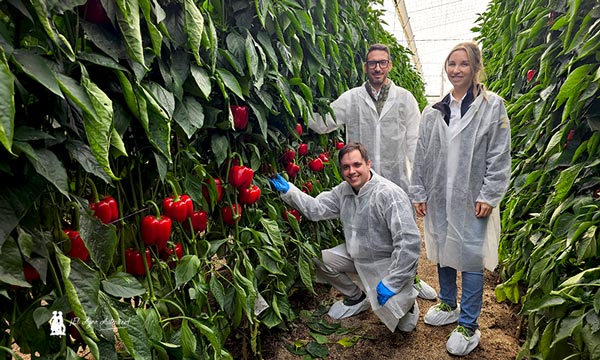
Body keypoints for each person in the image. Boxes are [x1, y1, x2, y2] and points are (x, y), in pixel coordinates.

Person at [309, 43, 436, 300]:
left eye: (382, 62)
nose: (377, 67)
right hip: (362, 179)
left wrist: (419, 184)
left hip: (396, 176)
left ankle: (411, 278)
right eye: (372, 63)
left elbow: (414, 142)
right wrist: (296, 105)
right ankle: (370, 278)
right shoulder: (352, 97)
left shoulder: (405, 98)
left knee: (402, 229)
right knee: (369, 229)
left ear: (389, 65)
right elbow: (323, 123)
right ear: (365, 67)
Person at [409, 42, 511, 356]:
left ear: (475, 67)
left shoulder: (493, 106)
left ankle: (468, 324)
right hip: (440, 195)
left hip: (472, 197)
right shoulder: (433, 111)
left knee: (470, 257)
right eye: (452, 63)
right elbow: (422, 155)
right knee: (441, 248)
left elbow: (499, 154)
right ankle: (447, 303)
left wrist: (490, 194)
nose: (456, 69)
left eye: (463, 64)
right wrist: (419, 191)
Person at [270, 143, 421, 332]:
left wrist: (393, 282)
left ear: (368, 164)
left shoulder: (388, 195)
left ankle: (409, 305)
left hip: (386, 261)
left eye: (357, 165)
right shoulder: (344, 191)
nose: (352, 171)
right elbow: (316, 209)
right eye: (346, 167)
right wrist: (289, 191)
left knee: (404, 326)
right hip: (356, 255)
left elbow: (408, 243)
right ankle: (357, 297)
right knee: (319, 258)